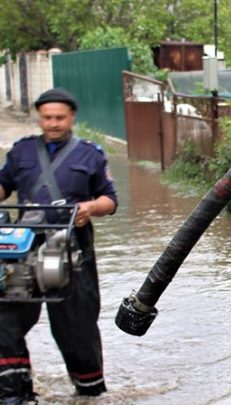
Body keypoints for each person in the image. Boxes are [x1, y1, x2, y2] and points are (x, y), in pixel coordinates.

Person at [0, 88, 117, 403]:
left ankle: (91, 393)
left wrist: (90, 209)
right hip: (25, 251)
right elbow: (3, 186)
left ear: (71, 118)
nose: (53, 124)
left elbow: (109, 200)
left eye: (59, 118)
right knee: (6, 317)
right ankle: (14, 394)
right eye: (47, 117)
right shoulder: (21, 152)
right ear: (39, 117)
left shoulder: (90, 154)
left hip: (69, 251)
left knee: (75, 325)